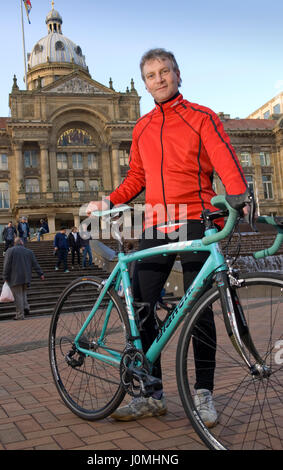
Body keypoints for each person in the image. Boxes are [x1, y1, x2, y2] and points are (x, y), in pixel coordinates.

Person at [86, 48, 249, 424]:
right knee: (141, 306)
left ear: (178, 75)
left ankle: (203, 394)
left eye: (164, 72)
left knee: (200, 309)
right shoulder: (141, 128)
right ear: (144, 84)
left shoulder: (202, 117)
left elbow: (225, 159)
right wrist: (109, 199)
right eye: (151, 75)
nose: (158, 79)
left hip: (197, 217)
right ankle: (150, 392)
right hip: (156, 220)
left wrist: (239, 195)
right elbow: (137, 179)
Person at [3, 237, 44, 320]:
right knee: (23, 294)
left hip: (15, 278)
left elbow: (7, 265)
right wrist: (41, 274)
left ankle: (20, 315)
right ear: (21, 242)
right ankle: (26, 307)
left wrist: (5, 276)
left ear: (15, 243)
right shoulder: (29, 252)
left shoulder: (10, 251)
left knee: (18, 296)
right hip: (26, 277)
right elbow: (35, 264)